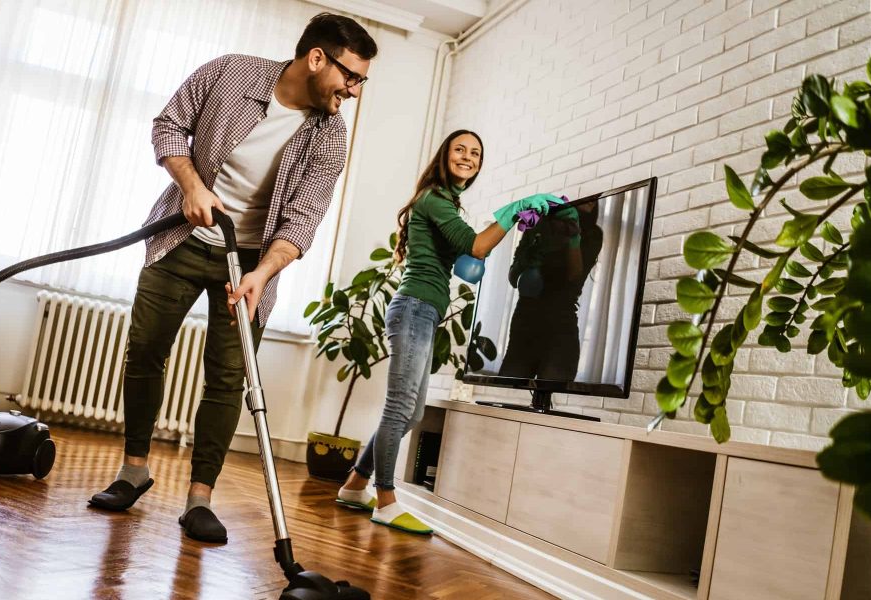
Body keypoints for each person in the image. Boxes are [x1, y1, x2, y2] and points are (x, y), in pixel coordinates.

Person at [88, 13, 378, 544]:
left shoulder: (330, 136)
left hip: (248, 262)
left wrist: (262, 276)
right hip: (179, 239)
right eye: (352, 76)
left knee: (227, 377)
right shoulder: (229, 74)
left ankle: (200, 499)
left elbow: (303, 217)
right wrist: (194, 188)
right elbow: (169, 125)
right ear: (318, 59)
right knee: (145, 349)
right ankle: (134, 470)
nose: (355, 90)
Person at [335, 129, 565, 534]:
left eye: (476, 152)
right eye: (460, 149)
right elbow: (476, 247)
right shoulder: (434, 198)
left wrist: (507, 222)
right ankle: (385, 499)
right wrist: (513, 210)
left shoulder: (445, 204)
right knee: (399, 408)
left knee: (412, 413)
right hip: (415, 309)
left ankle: (355, 486)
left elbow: (464, 251)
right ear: (444, 156)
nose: (468, 156)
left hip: (423, 311)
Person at [499, 199, 603, 380]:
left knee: (551, 389)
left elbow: (574, 276)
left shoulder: (592, 234)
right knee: (507, 388)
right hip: (525, 322)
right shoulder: (539, 224)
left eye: (594, 201)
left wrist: (572, 236)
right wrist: (531, 247)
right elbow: (514, 278)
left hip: (560, 324)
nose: (590, 203)